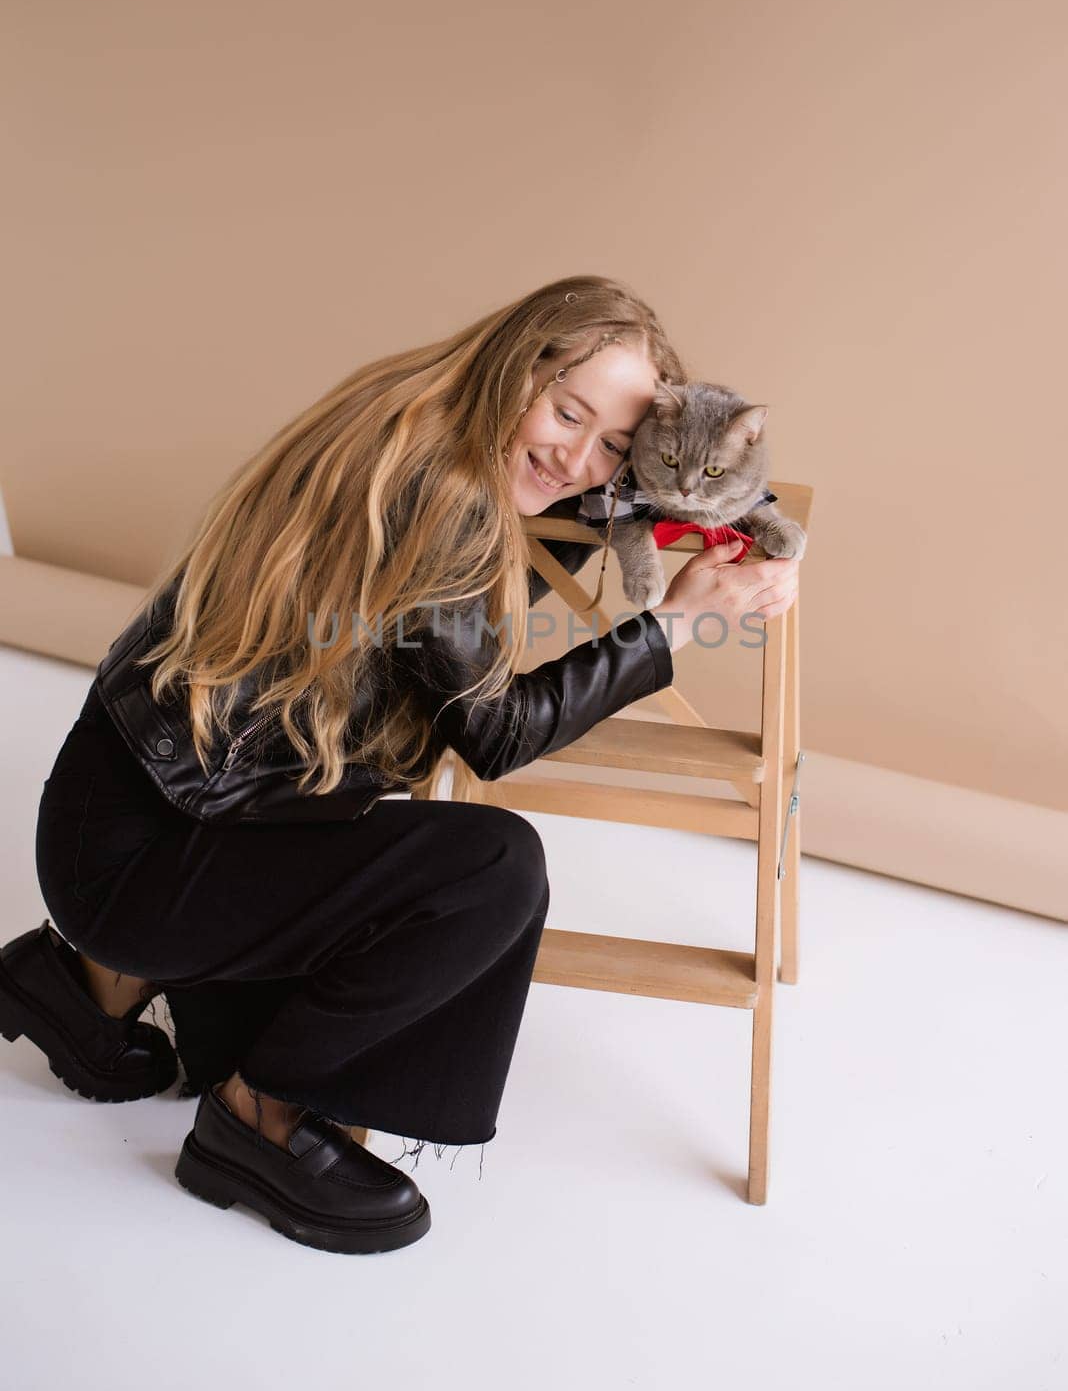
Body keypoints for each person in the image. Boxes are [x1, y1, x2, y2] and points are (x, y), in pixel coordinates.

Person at [0, 275, 798, 1255]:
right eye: (566, 412)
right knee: (491, 868)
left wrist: (747, 522)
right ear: (520, 371)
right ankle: (257, 1122)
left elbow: (600, 496)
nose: (576, 457)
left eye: (611, 446)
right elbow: (497, 736)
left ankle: (90, 983)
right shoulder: (445, 497)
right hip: (154, 849)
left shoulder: (405, 409)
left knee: (368, 796)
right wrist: (673, 620)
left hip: (123, 813)